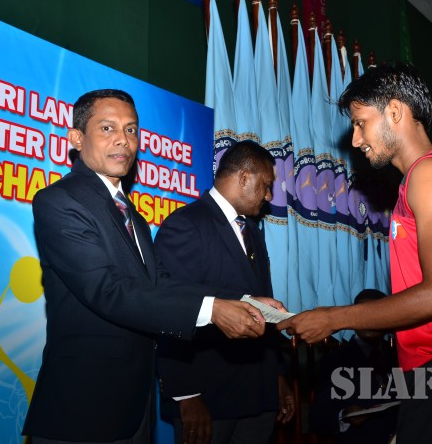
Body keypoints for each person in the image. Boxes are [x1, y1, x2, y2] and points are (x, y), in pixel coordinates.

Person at [23, 89, 283, 444]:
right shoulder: (59, 201)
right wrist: (213, 310)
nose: (123, 140)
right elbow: (108, 291)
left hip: (134, 409)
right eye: (107, 128)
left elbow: (161, 283)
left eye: (131, 129)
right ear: (76, 138)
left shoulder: (134, 217)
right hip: (81, 410)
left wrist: (243, 301)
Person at [277, 63, 432, 443]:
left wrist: (335, 318)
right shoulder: (417, 180)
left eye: (360, 123)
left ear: (395, 112)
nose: (356, 140)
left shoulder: (431, 174)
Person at [154, 140, 295, 444]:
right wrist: (186, 395)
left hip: (258, 398)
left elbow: (263, 313)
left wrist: (276, 376)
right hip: (209, 401)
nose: (269, 196)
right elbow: (169, 308)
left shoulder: (253, 232)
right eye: (266, 185)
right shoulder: (186, 224)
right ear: (244, 178)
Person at [308, 289, 398, 444]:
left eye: (375, 314)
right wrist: (344, 416)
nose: (368, 321)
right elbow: (318, 418)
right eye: (362, 314)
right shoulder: (335, 360)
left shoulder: (398, 356)